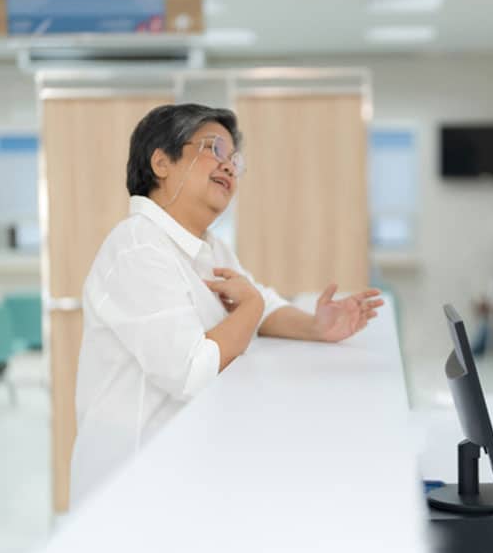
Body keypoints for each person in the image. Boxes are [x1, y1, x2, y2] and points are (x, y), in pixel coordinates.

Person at [70, 104, 383, 504]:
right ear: (161, 163)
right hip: (132, 487)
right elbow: (192, 371)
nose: (229, 166)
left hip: (184, 470)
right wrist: (249, 309)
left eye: (235, 159)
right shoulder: (137, 248)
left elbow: (262, 303)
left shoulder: (205, 246)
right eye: (214, 149)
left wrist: (316, 327)